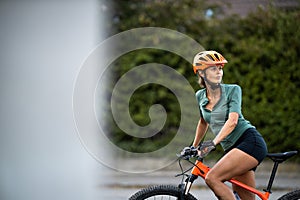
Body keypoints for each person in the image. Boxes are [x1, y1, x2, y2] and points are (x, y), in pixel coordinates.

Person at [184, 50, 268, 200]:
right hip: (232, 149)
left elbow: (233, 121)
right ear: (202, 73)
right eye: (213, 68)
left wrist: (212, 143)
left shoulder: (233, 90)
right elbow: (203, 122)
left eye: (220, 68)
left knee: (212, 178)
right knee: (246, 198)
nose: (219, 72)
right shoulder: (200, 95)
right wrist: (194, 146)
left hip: (249, 142)